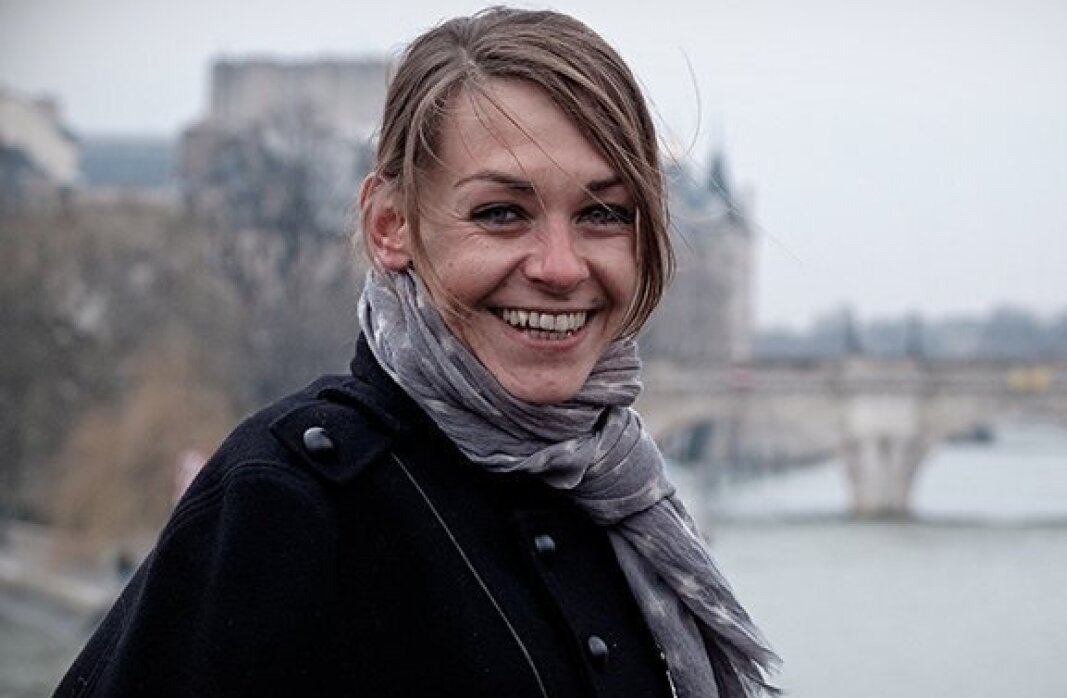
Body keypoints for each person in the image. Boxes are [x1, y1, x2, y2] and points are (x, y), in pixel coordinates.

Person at [55, 7, 778, 697]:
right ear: (391, 226)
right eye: (501, 213)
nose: (561, 267)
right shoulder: (286, 501)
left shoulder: (616, 493)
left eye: (603, 213)